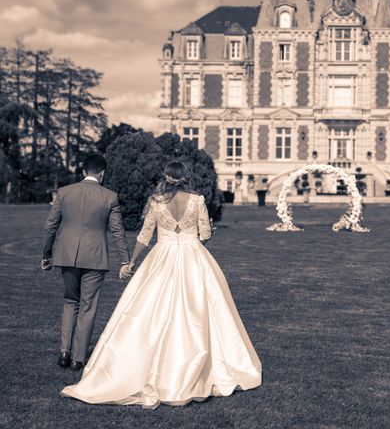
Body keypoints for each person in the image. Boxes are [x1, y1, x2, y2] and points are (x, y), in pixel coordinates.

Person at [61, 161, 262, 409]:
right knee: (201, 311)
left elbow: (145, 235)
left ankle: (140, 368)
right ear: (186, 177)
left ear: (166, 178)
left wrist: (132, 261)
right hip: (193, 256)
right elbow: (206, 234)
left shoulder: (156, 201)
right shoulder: (197, 200)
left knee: (148, 311)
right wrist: (195, 241)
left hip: (162, 256)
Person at [41, 153, 130, 371]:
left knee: (70, 301)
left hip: (67, 255)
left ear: (83, 172)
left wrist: (46, 254)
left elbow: (50, 226)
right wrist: (125, 260)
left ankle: (64, 351)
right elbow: (118, 232)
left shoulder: (64, 192)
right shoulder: (110, 196)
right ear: (102, 173)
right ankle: (78, 359)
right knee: (88, 306)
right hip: (95, 257)